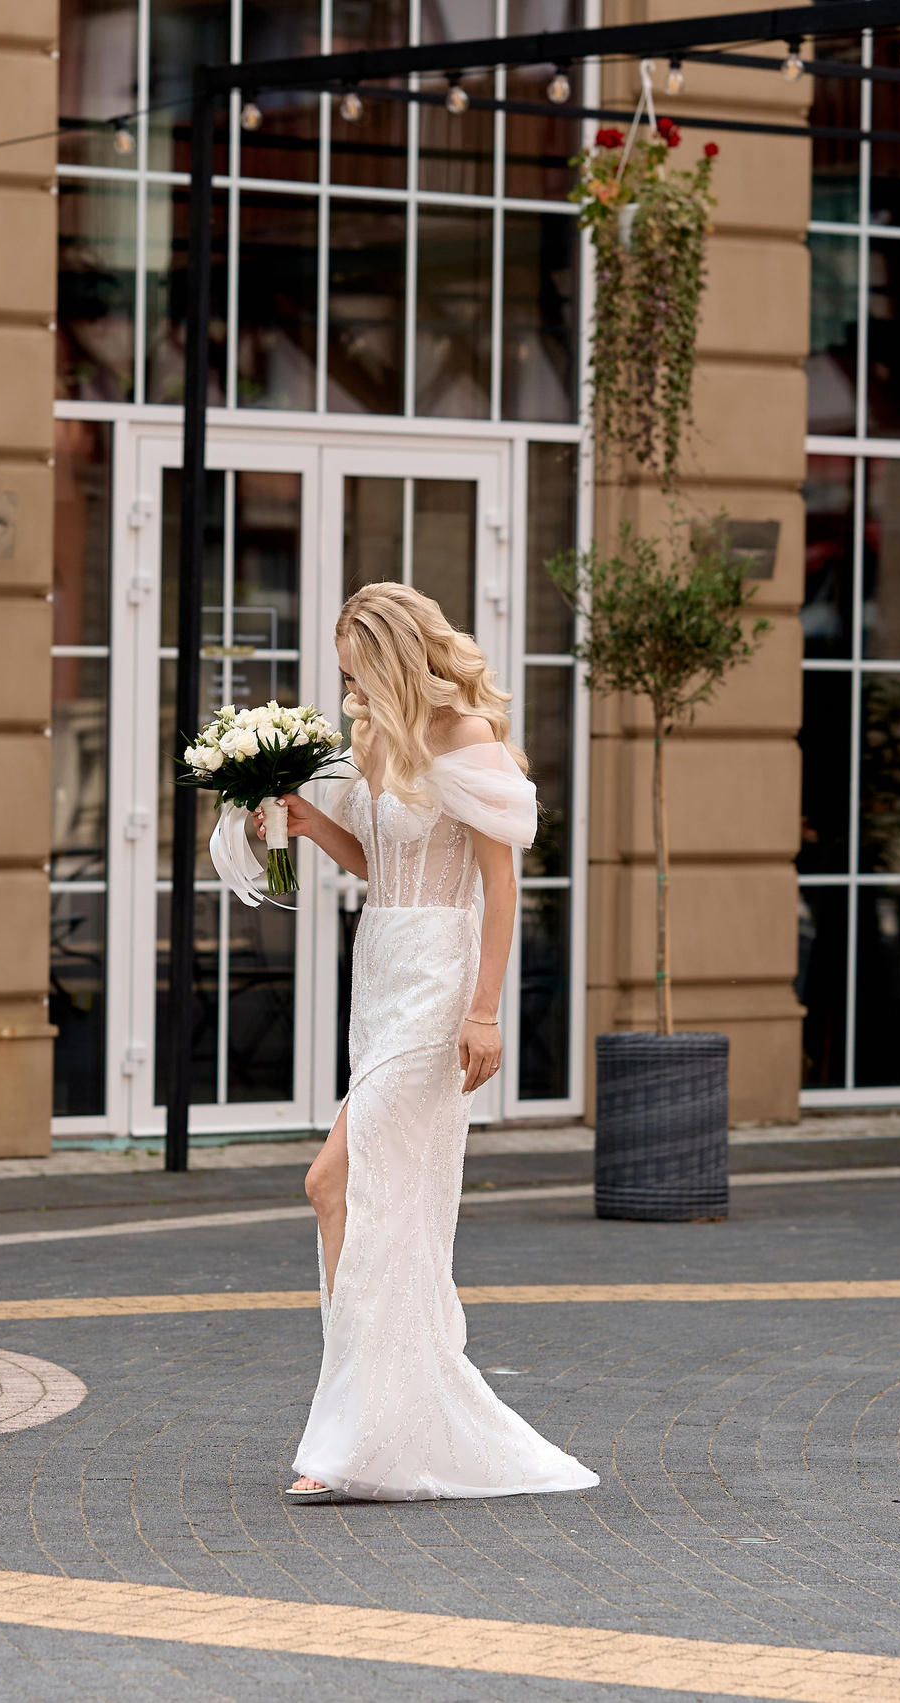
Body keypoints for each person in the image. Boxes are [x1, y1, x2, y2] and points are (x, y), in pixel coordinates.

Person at [232, 582, 597, 1505]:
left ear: (394, 656)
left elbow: (500, 889)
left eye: (357, 668)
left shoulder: (468, 739)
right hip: (383, 964)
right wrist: (311, 826)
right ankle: (375, 1422)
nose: (346, 685)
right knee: (371, 1195)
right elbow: (384, 864)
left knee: (335, 1180)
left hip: (439, 980)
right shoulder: (378, 739)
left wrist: (483, 1011)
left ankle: (356, 1430)